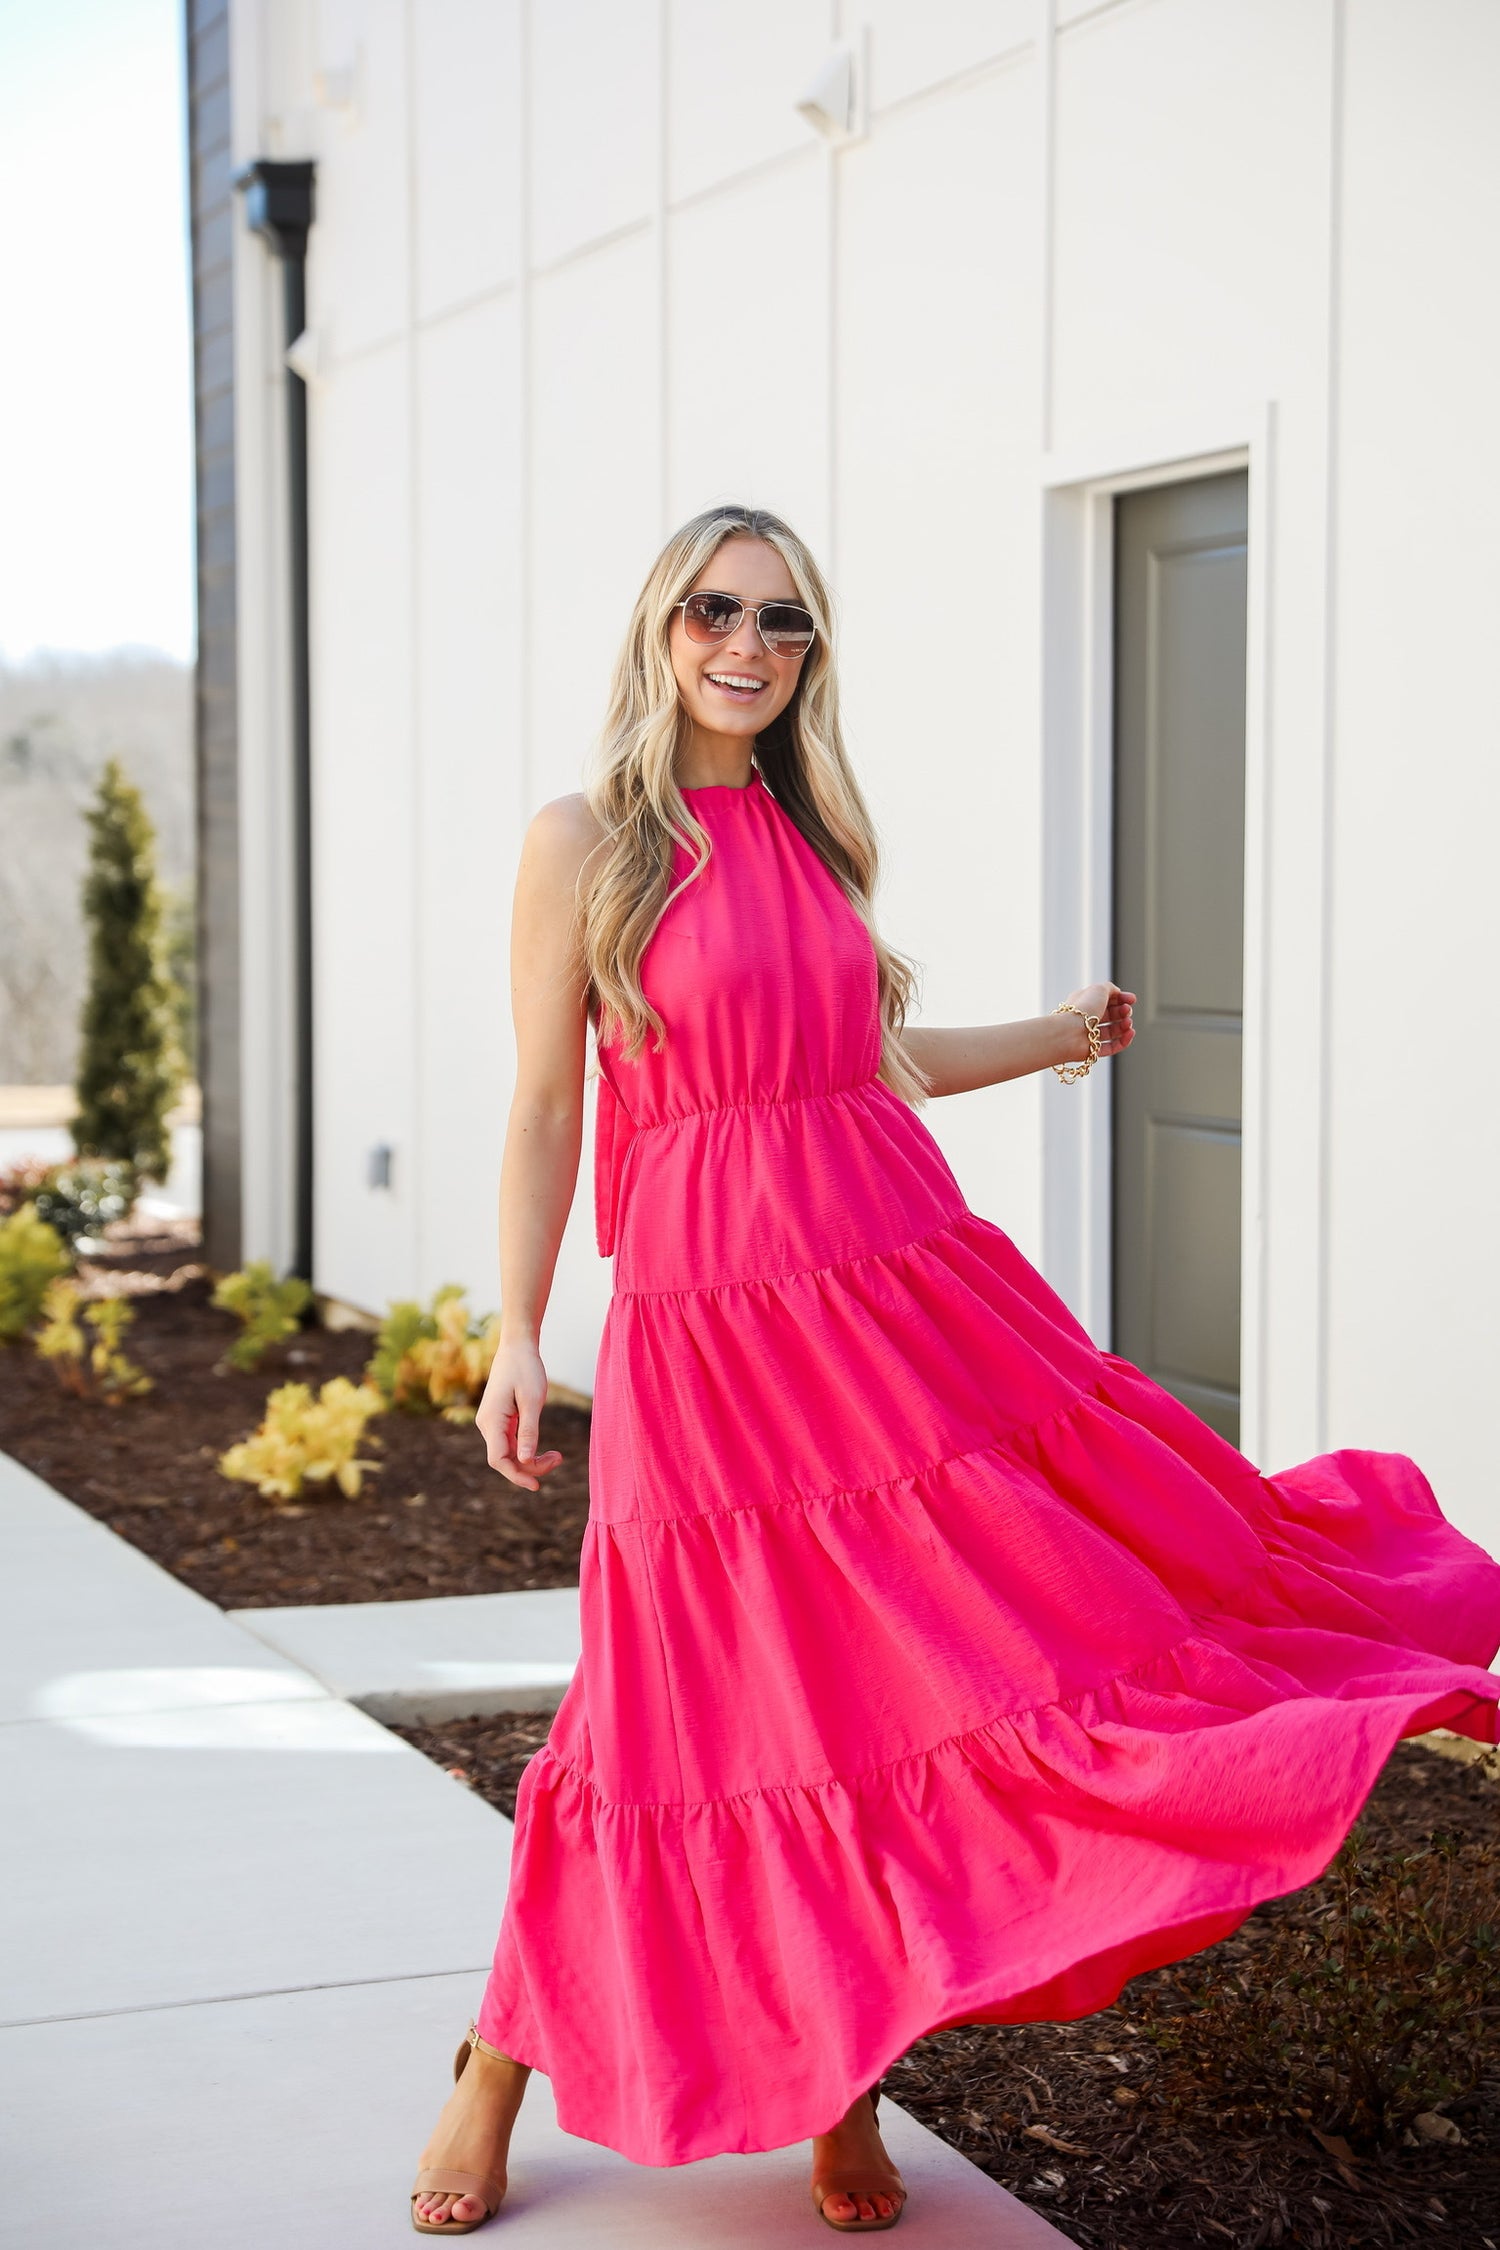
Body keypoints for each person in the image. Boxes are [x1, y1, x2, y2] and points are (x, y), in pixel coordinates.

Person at [410, 504, 1500, 2235]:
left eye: (784, 621)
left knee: (886, 1687)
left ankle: (841, 2084)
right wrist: (520, 1333)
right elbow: (549, 1104)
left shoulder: (810, 832)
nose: (747, 645)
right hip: (711, 1328)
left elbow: (869, 1055)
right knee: (672, 1699)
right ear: (660, 624)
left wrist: (1061, 1034)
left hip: (887, 1298)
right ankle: (498, 2059)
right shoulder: (584, 840)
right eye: (716, 610)